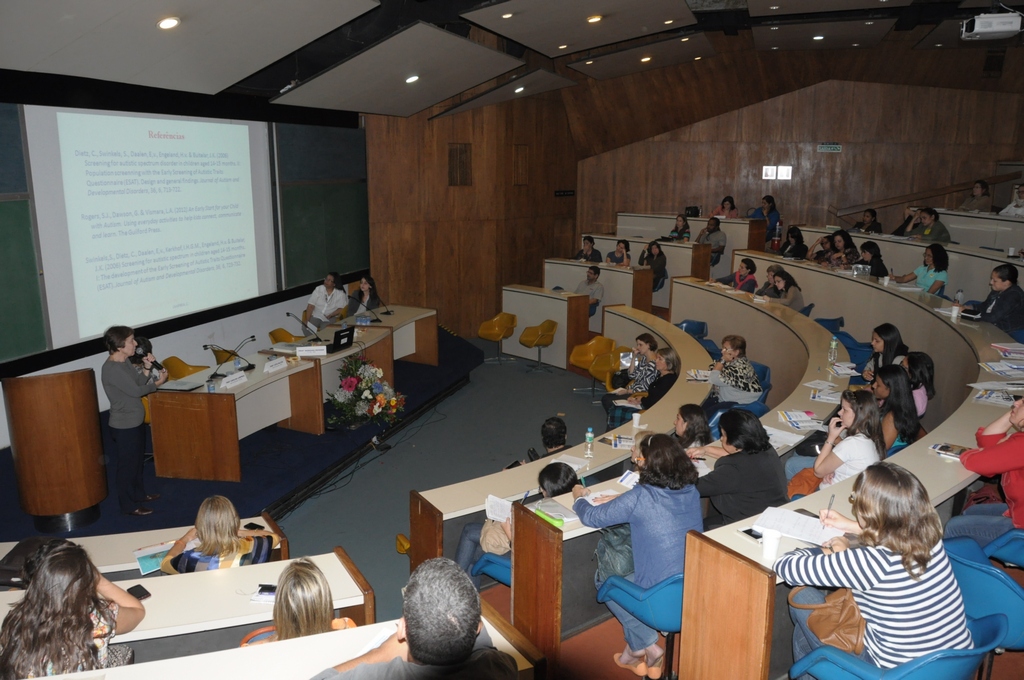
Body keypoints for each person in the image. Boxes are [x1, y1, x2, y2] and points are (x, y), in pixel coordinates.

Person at [777, 463, 973, 675]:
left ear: (869, 511)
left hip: (895, 672)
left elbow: (785, 566)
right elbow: (892, 536)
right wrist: (852, 526)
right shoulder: (928, 536)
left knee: (801, 598)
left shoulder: (873, 563)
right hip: (954, 663)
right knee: (807, 633)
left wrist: (833, 555)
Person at [571, 434, 702, 679]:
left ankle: (646, 647)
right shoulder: (691, 490)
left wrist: (578, 497)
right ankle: (636, 652)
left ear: (646, 463)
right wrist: (625, 499)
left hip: (658, 595)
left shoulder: (641, 497)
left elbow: (592, 517)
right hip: (693, 588)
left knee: (606, 579)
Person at [310, 558, 517, 679]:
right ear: (478, 627)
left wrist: (379, 653)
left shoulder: (385, 675)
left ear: (402, 630)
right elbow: (484, 646)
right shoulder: (499, 667)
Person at [0, 539, 146, 676]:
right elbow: (137, 611)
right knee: (123, 651)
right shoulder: (97, 617)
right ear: (86, 579)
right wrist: (98, 579)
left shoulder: (15, 619)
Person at [455, 462, 578, 589]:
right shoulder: (575, 506)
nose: (541, 491)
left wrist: (509, 533)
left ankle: (455, 587)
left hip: (526, 562)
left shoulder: (549, 519)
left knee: (471, 551)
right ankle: (460, 591)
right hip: (535, 553)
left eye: (542, 488)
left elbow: (528, 551)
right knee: (470, 531)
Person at [101, 325, 167, 516]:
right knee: (127, 467)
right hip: (124, 426)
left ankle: (139, 495)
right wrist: (157, 383)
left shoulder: (125, 362)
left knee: (137, 462)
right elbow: (136, 391)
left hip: (135, 421)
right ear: (120, 346)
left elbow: (137, 383)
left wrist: (147, 368)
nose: (136, 344)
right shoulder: (112, 368)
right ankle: (128, 506)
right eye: (131, 340)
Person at [943, 397, 1024, 548]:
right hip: (1018, 512)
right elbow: (987, 440)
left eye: (1022, 403)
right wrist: (1015, 414)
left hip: (1021, 529)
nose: (1016, 403)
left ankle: (958, 570)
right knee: (971, 512)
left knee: (954, 527)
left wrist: (976, 453)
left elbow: (976, 462)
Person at [690, 409, 787, 529]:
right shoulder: (765, 449)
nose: (721, 439)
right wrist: (706, 450)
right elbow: (738, 454)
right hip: (773, 515)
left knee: (698, 527)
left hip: (746, 525)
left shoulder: (733, 470)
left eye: (724, 435)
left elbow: (694, 487)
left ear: (735, 439)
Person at [785, 390, 885, 488]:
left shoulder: (851, 443)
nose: (839, 412)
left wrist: (831, 438)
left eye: (845, 410)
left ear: (859, 415)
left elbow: (818, 471)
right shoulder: (871, 436)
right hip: (843, 486)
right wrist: (834, 471)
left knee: (790, 464)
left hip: (829, 494)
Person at [161, 495, 281, 574]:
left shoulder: (190, 558)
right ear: (234, 521)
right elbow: (274, 536)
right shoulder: (256, 544)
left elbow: (165, 564)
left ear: (201, 525)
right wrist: (237, 531)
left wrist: (185, 539)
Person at [246, 558, 354, 645]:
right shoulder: (348, 630)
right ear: (324, 603)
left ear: (280, 608)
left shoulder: (254, 650)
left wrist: (268, 640)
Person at [606, 348, 680, 430]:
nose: (656, 361)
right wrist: (639, 399)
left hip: (651, 410)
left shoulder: (668, 380)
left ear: (669, 363)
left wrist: (641, 400)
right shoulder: (661, 375)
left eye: (660, 359)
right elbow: (653, 396)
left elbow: (655, 401)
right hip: (645, 403)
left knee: (617, 411)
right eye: (657, 358)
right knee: (616, 408)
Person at [704, 335, 763, 414]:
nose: (722, 351)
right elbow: (713, 366)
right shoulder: (736, 361)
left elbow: (713, 378)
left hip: (737, 403)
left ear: (736, 352)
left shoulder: (739, 369)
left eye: (726, 349)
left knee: (702, 415)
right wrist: (720, 365)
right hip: (724, 397)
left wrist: (722, 361)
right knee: (698, 409)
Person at [602, 333, 659, 413]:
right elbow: (632, 375)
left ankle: (615, 419)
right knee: (606, 397)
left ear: (648, 345)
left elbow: (645, 387)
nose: (638, 347)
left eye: (640, 345)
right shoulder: (644, 359)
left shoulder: (653, 365)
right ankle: (613, 418)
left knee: (608, 400)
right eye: (637, 345)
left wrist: (627, 391)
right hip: (632, 389)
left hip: (637, 393)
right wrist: (634, 357)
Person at [870, 365, 920, 453]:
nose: (873, 386)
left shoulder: (892, 417)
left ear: (890, 389)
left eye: (878, 384)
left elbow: (880, 450)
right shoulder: (904, 405)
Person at [963, 264, 1024, 333]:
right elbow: (985, 306)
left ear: (1006, 282)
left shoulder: (1013, 295)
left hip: (1006, 332)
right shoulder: (997, 290)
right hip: (990, 325)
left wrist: (967, 312)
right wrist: (968, 307)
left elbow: (993, 317)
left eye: (995, 281)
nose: (991, 282)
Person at [902, 351, 935, 418]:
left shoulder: (916, 399)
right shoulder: (910, 383)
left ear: (915, 372)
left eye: (904, 368)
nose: (900, 369)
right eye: (901, 364)